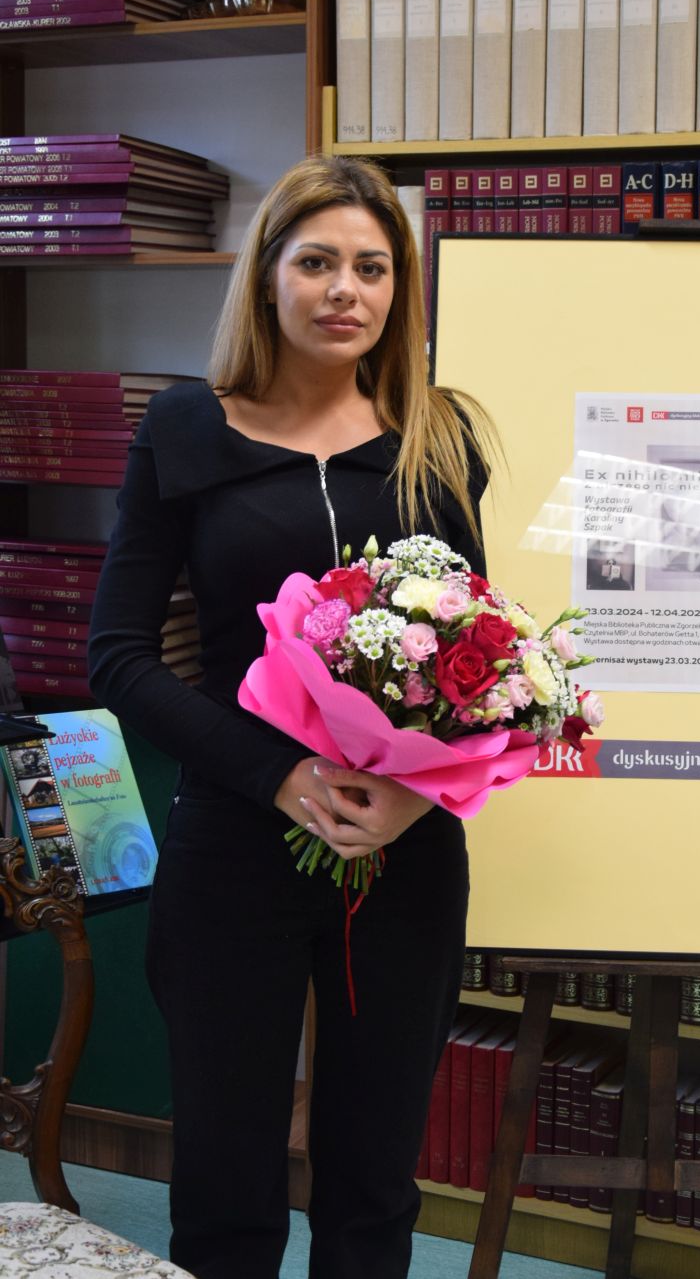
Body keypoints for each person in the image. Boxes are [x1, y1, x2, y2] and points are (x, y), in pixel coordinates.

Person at [88, 156, 494, 1279]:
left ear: (397, 290)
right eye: (315, 261)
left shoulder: (437, 438)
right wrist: (276, 776)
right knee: (227, 1178)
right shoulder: (184, 427)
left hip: (403, 854)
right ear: (267, 277)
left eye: (371, 267)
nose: (343, 290)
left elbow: (485, 664)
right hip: (235, 840)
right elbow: (118, 655)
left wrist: (415, 793)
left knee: (373, 1181)